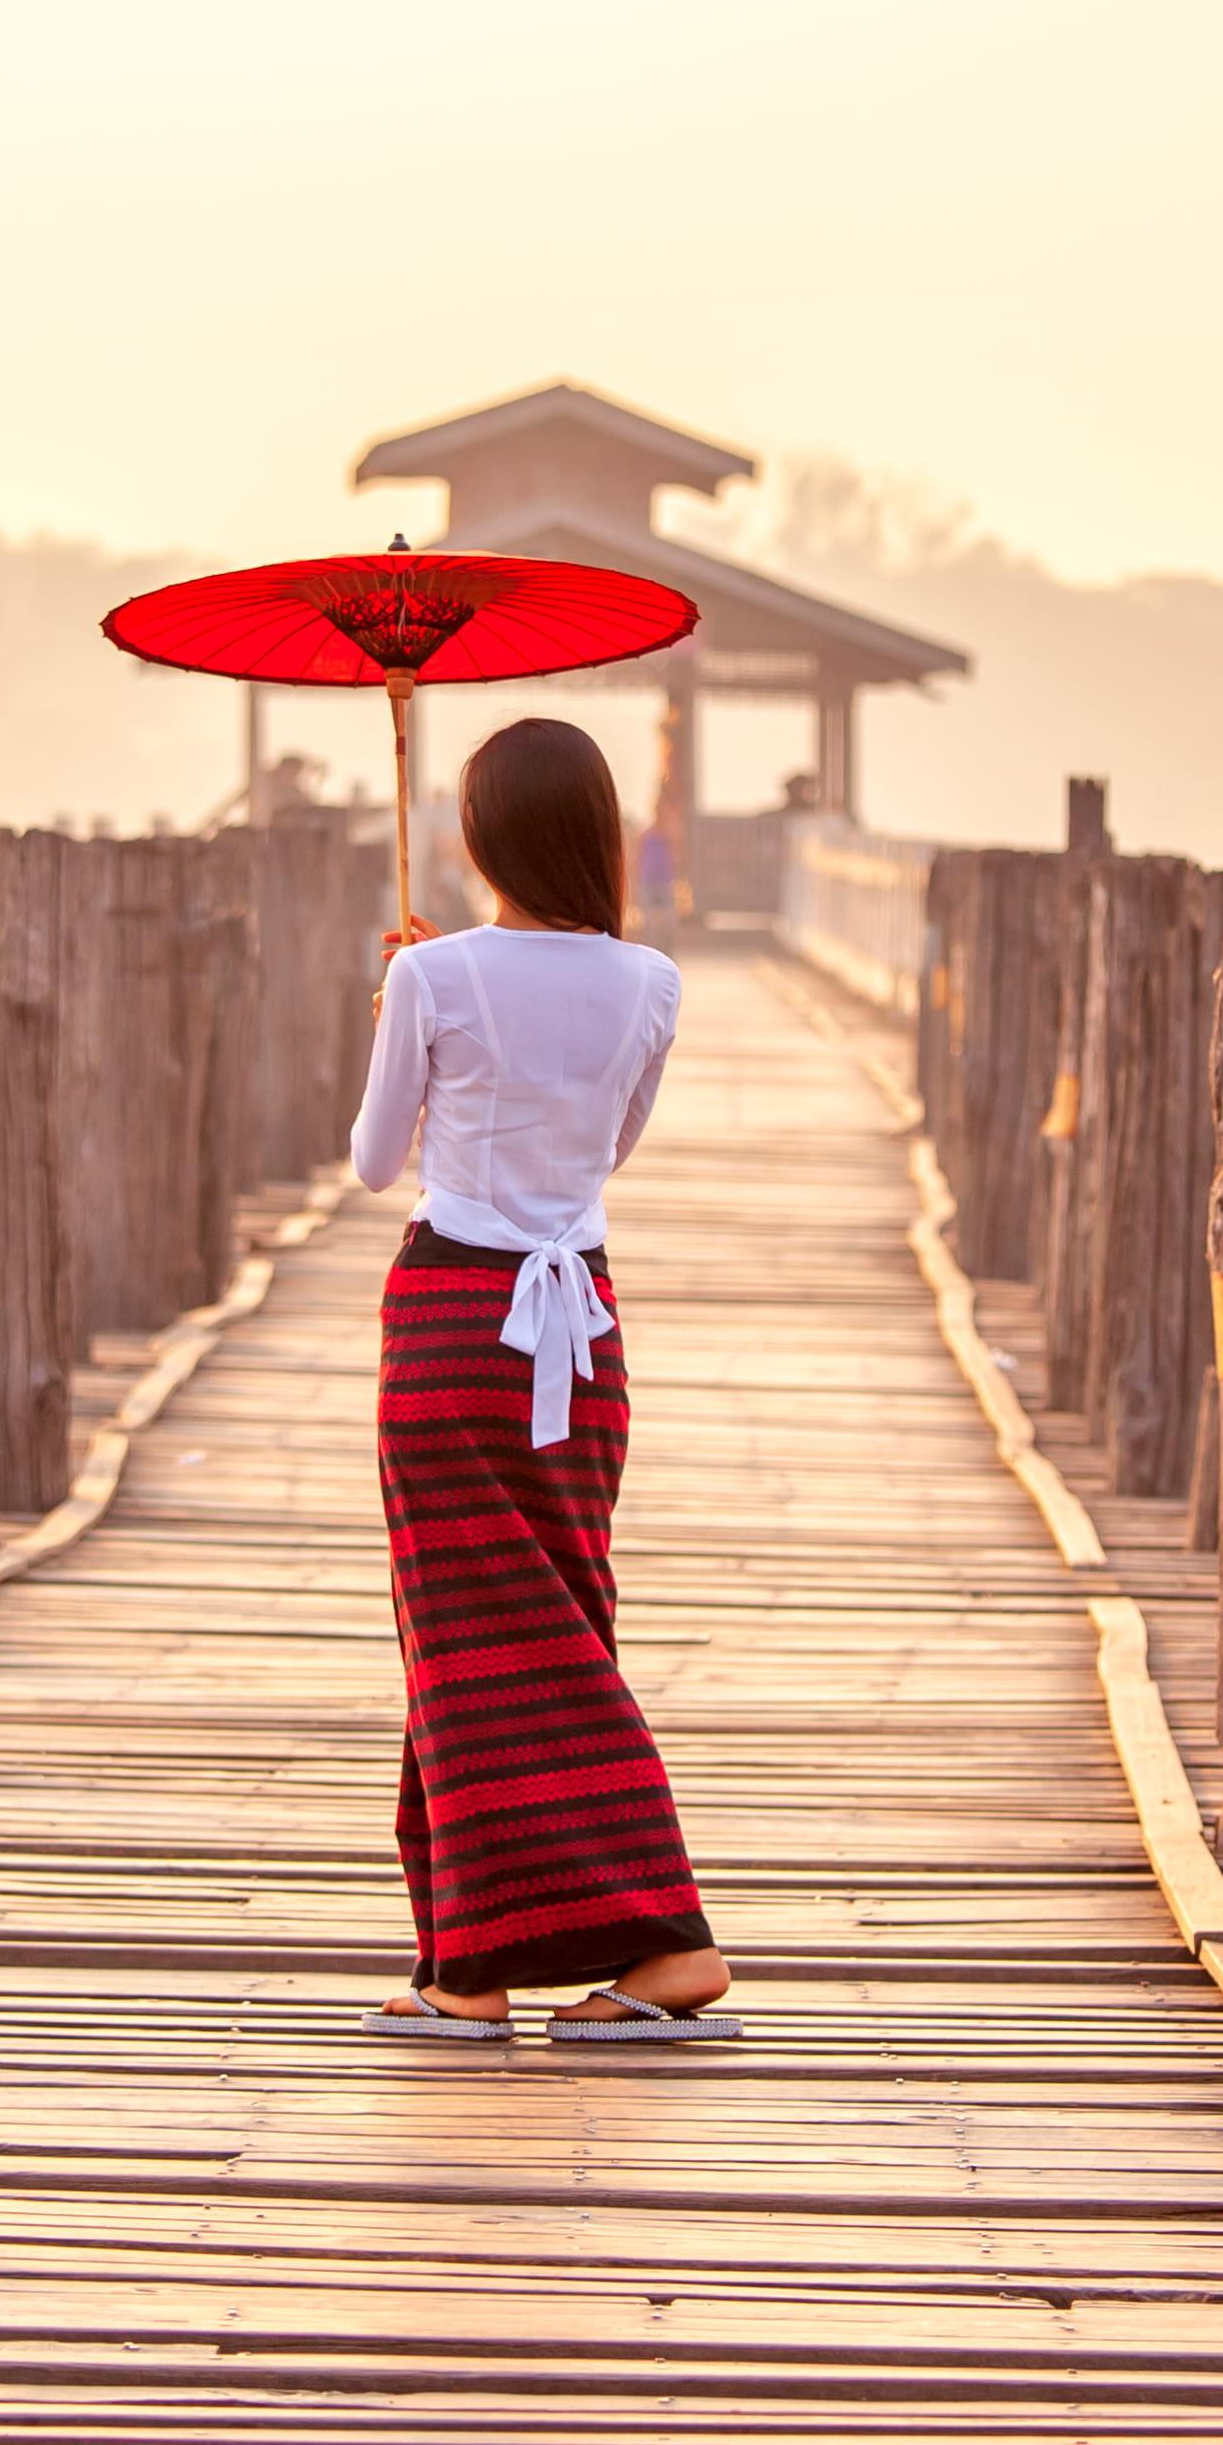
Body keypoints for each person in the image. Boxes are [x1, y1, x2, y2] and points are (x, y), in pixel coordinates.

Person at [345, 715, 739, 2049]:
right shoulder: (653, 980)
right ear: (597, 832)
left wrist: (400, 1003)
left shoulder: (435, 973)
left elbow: (368, 1163)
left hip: (454, 1321)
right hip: (583, 1333)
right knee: (537, 1620)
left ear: (477, 836)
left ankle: (668, 1936)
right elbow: (607, 1151)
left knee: (463, 1636)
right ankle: (468, 1961)